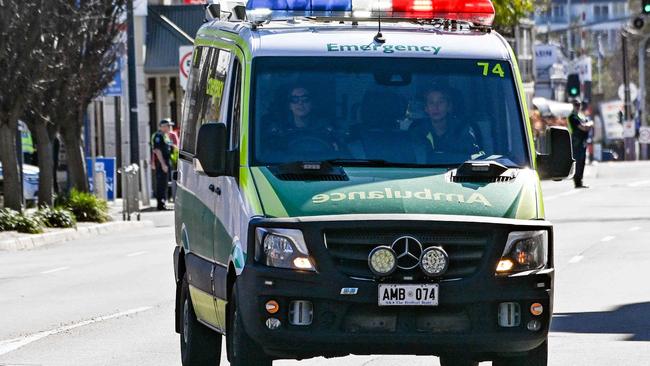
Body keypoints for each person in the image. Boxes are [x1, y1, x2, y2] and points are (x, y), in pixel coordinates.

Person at [408, 87, 480, 162]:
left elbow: (471, 159)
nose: (436, 107)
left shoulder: (463, 129)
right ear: (426, 108)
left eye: (441, 102)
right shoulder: (417, 131)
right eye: (431, 103)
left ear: (449, 106)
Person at [568, 98, 593, 188]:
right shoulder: (572, 117)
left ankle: (580, 181)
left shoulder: (581, 116)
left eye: (579, 105)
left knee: (582, 162)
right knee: (578, 162)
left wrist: (588, 125)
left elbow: (587, 124)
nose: (578, 107)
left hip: (582, 142)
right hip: (576, 142)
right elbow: (583, 127)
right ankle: (577, 182)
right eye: (576, 105)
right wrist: (588, 125)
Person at [151, 120, 173, 210]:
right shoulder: (158, 136)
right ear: (163, 126)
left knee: (165, 183)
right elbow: (158, 150)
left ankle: (164, 201)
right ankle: (160, 204)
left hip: (166, 161)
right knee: (161, 183)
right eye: (168, 126)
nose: (169, 128)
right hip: (161, 163)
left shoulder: (165, 136)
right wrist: (163, 164)